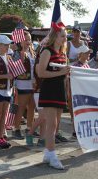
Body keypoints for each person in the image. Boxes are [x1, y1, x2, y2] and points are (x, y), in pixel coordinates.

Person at [37, 26, 70, 169]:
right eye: (62, 36)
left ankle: (48, 153)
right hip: (49, 89)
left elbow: (64, 75)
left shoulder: (63, 53)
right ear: (55, 37)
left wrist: (67, 74)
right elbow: (41, 73)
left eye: (65, 36)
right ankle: (52, 154)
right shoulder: (46, 51)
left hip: (60, 90)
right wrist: (61, 72)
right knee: (51, 124)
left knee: (56, 125)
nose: (65, 38)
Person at [12, 31, 37, 140]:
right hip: (22, 83)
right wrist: (22, 58)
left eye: (29, 39)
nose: (28, 42)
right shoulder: (17, 53)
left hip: (33, 83)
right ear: (20, 41)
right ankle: (16, 129)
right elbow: (15, 70)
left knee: (32, 106)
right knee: (21, 107)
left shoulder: (32, 52)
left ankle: (29, 128)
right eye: (26, 39)